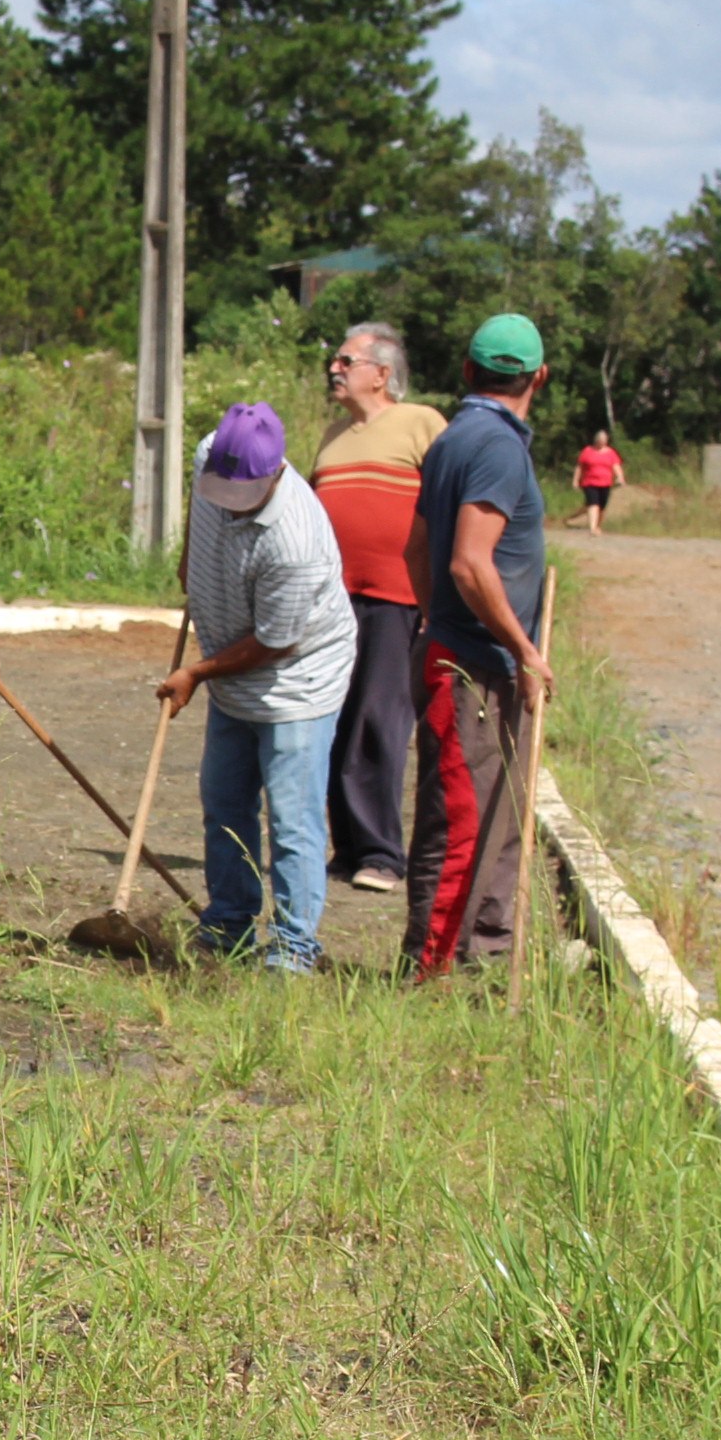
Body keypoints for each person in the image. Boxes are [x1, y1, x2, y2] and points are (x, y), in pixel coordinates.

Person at [156, 402, 355, 973]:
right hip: (232, 674)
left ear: (274, 475)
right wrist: (192, 569)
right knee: (223, 802)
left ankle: (294, 948)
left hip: (296, 682)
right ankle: (229, 926)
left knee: (291, 821)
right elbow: (201, 522)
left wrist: (196, 673)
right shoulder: (208, 458)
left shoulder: (297, 541)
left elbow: (275, 641)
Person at [404, 311, 555, 977]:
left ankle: (484, 956)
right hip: (473, 667)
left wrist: (437, 622)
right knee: (463, 822)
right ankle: (431, 970)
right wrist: (521, 648)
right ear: (539, 378)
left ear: (469, 371)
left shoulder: (452, 439)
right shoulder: (493, 447)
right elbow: (469, 561)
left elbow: (416, 551)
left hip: (464, 652)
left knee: (499, 815)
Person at [307, 321, 440, 897]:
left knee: (380, 721)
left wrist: (441, 595)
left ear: (382, 374)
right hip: (335, 602)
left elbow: (449, 504)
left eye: (345, 361)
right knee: (334, 716)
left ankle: (384, 853)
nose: (334, 369)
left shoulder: (421, 423)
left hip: (397, 596)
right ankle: (350, 847)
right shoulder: (333, 437)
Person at [572, 429, 624, 533]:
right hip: (589, 483)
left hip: (606, 483)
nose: (602, 443)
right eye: (600, 440)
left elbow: (616, 466)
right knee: (593, 503)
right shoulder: (587, 451)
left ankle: (597, 526)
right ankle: (592, 528)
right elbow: (579, 467)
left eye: (604, 441)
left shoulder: (611, 453)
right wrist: (575, 480)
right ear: (596, 440)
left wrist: (620, 477)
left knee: (602, 506)